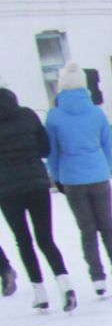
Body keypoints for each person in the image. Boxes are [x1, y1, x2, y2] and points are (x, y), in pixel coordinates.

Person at [44, 61, 112, 302]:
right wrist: (106, 168)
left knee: (87, 230)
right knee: (108, 226)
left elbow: (53, 152)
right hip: (99, 174)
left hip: (72, 178)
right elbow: (106, 144)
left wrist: (58, 177)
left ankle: (97, 278)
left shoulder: (55, 116)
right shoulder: (97, 112)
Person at [0, 86, 73, 311]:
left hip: (7, 188)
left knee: (23, 240)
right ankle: (66, 286)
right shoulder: (28, 115)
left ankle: (40, 293)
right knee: (46, 238)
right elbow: (45, 148)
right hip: (37, 184)